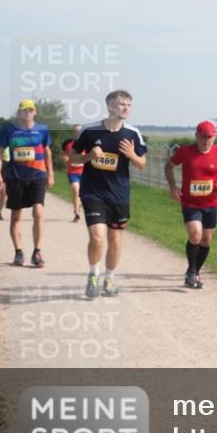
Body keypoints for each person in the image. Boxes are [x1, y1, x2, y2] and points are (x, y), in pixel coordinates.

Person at [69, 91, 148, 298]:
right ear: (110, 106)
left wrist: (131, 155)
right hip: (93, 192)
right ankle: (94, 275)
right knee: (97, 238)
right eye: (122, 104)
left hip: (119, 195)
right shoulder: (90, 130)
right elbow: (73, 159)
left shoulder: (133, 134)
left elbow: (142, 164)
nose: (126, 108)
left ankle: (110, 278)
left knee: (115, 239)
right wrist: (89, 157)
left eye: (129, 105)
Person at [165, 121, 217, 289]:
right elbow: (169, 166)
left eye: (209, 138)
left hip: (211, 203)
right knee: (195, 234)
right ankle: (192, 271)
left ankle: (194, 271)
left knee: (206, 240)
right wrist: (173, 187)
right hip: (190, 202)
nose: (206, 141)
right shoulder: (185, 152)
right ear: (196, 136)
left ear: (214, 137)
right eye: (203, 137)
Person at [0, 100, 54, 267]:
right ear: (18, 113)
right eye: (24, 110)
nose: (27, 113)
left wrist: (51, 174)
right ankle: (18, 252)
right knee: (15, 216)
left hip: (38, 175)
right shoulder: (9, 129)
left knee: (38, 212)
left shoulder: (42, 129)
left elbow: (47, 152)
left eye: (30, 110)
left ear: (35, 112)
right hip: (15, 177)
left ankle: (37, 252)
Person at [61, 125, 85, 222]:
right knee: (75, 190)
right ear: (72, 132)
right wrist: (64, 158)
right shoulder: (67, 144)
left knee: (83, 194)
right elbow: (62, 154)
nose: (77, 133)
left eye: (79, 131)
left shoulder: (87, 143)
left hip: (85, 172)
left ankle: (78, 205)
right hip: (73, 172)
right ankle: (77, 213)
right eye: (75, 131)